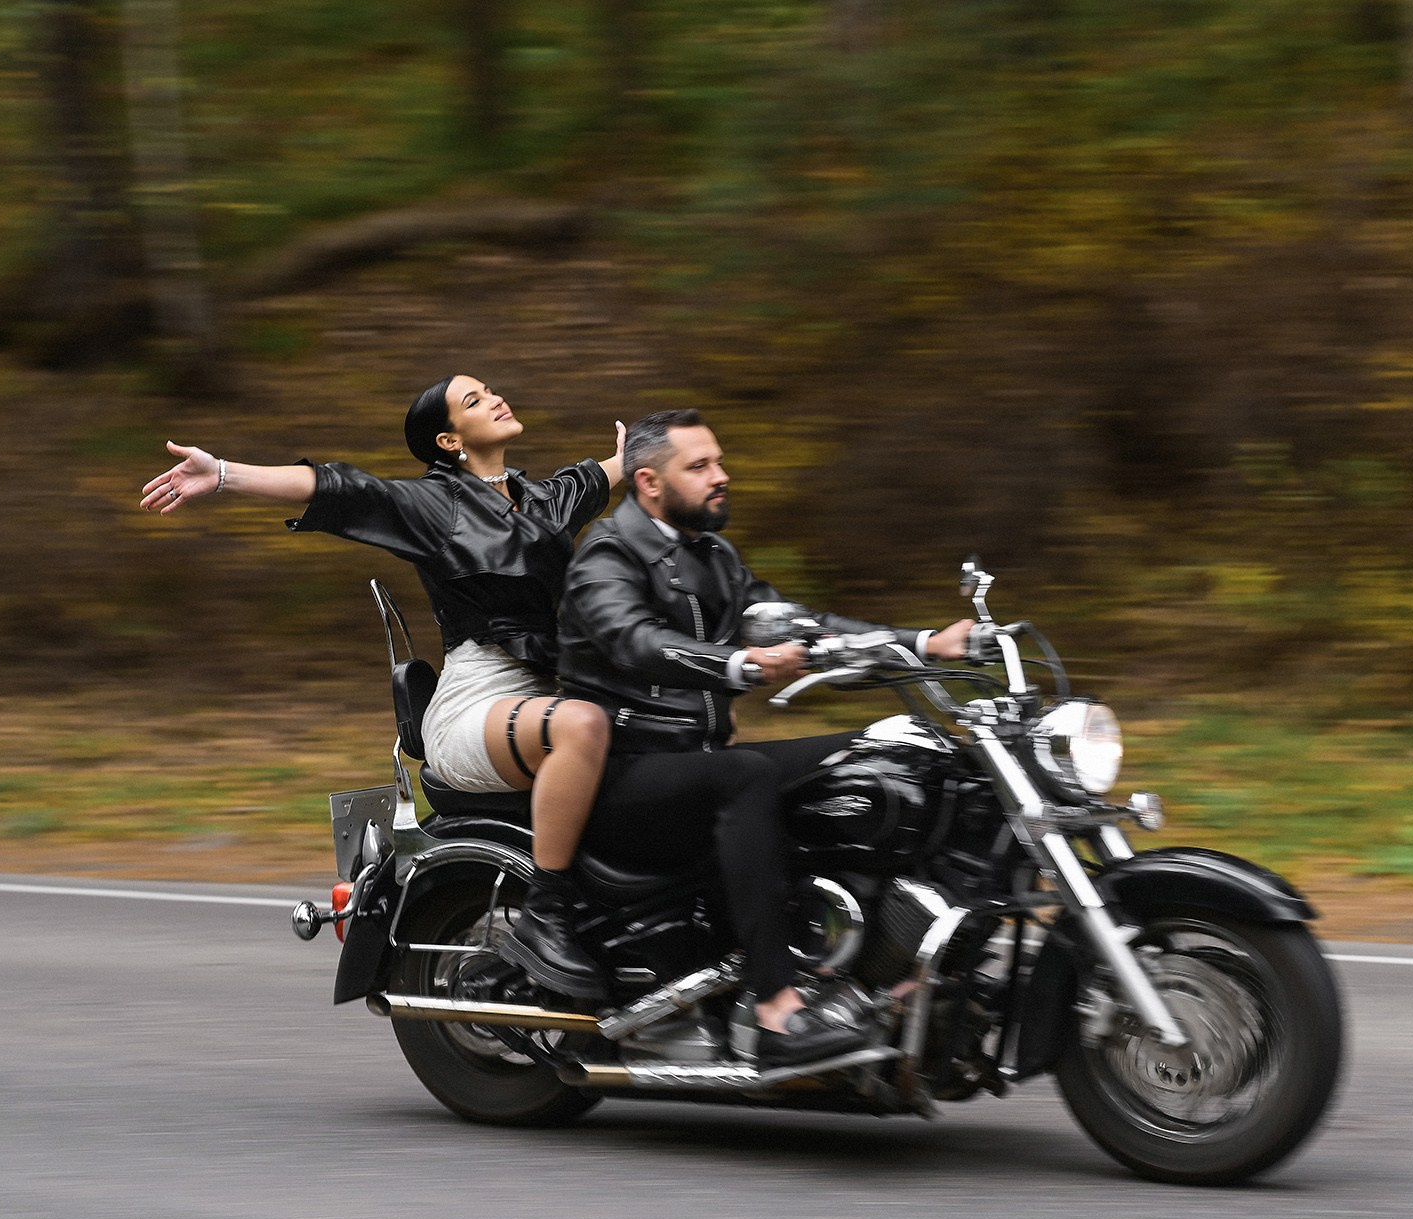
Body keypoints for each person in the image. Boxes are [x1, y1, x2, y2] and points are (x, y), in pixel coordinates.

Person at [139, 376, 622, 999]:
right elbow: (340, 488)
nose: (495, 398)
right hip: (478, 702)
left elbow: (607, 474)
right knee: (582, 726)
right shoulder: (435, 504)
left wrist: (651, 453)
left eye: (489, 390)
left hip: (549, 694)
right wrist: (225, 473)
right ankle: (546, 918)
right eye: (474, 400)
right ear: (449, 440)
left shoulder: (542, 499)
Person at [553, 409, 974, 1066]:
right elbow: (636, 641)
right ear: (649, 482)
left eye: (719, 461)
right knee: (744, 774)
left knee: (897, 750)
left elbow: (800, 623)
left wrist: (924, 643)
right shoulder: (606, 555)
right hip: (624, 775)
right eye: (700, 466)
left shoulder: (714, 557)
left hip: (698, 762)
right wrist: (739, 664)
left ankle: (904, 974)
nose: (721, 476)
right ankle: (774, 1010)